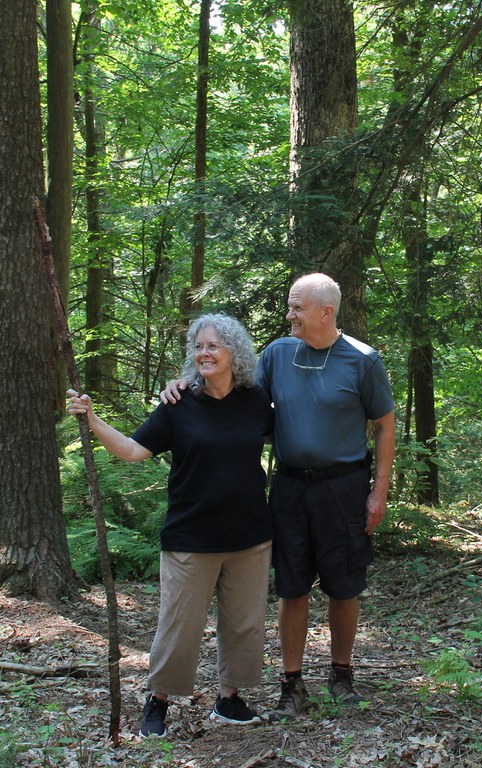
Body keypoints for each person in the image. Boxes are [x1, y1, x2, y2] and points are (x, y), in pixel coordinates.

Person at [161, 273, 395, 722]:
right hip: (288, 487)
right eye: (290, 307)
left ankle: (341, 675)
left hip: (343, 488)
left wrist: (377, 494)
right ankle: (292, 684)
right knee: (291, 585)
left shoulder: (363, 360)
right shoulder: (277, 354)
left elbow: (385, 426)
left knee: (344, 586)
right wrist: (184, 383)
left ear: (325, 312)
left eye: (296, 308)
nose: (288, 316)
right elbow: (235, 394)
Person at [68, 313, 274, 737]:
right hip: (190, 537)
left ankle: (229, 699)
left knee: (244, 623)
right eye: (198, 346)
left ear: (235, 353)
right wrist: (91, 420)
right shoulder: (178, 404)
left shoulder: (257, 401)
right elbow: (131, 449)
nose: (204, 353)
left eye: (213, 345)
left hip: (249, 536)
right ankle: (158, 701)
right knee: (179, 625)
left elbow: (290, 439)